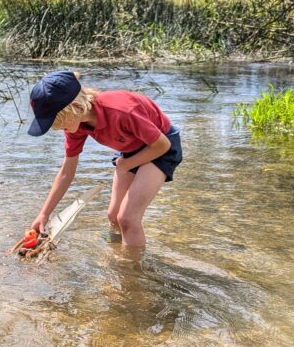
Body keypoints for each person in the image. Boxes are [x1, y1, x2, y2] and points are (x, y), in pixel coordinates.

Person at [27, 70, 181, 248]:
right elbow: (66, 173)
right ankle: (116, 250)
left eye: (60, 124)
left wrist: (127, 164)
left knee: (128, 218)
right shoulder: (75, 125)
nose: (59, 129)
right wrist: (44, 214)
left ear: (76, 108)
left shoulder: (122, 111)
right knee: (114, 216)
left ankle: (131, 269)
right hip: (129, 149)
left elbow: (163, 145)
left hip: (160, 147)